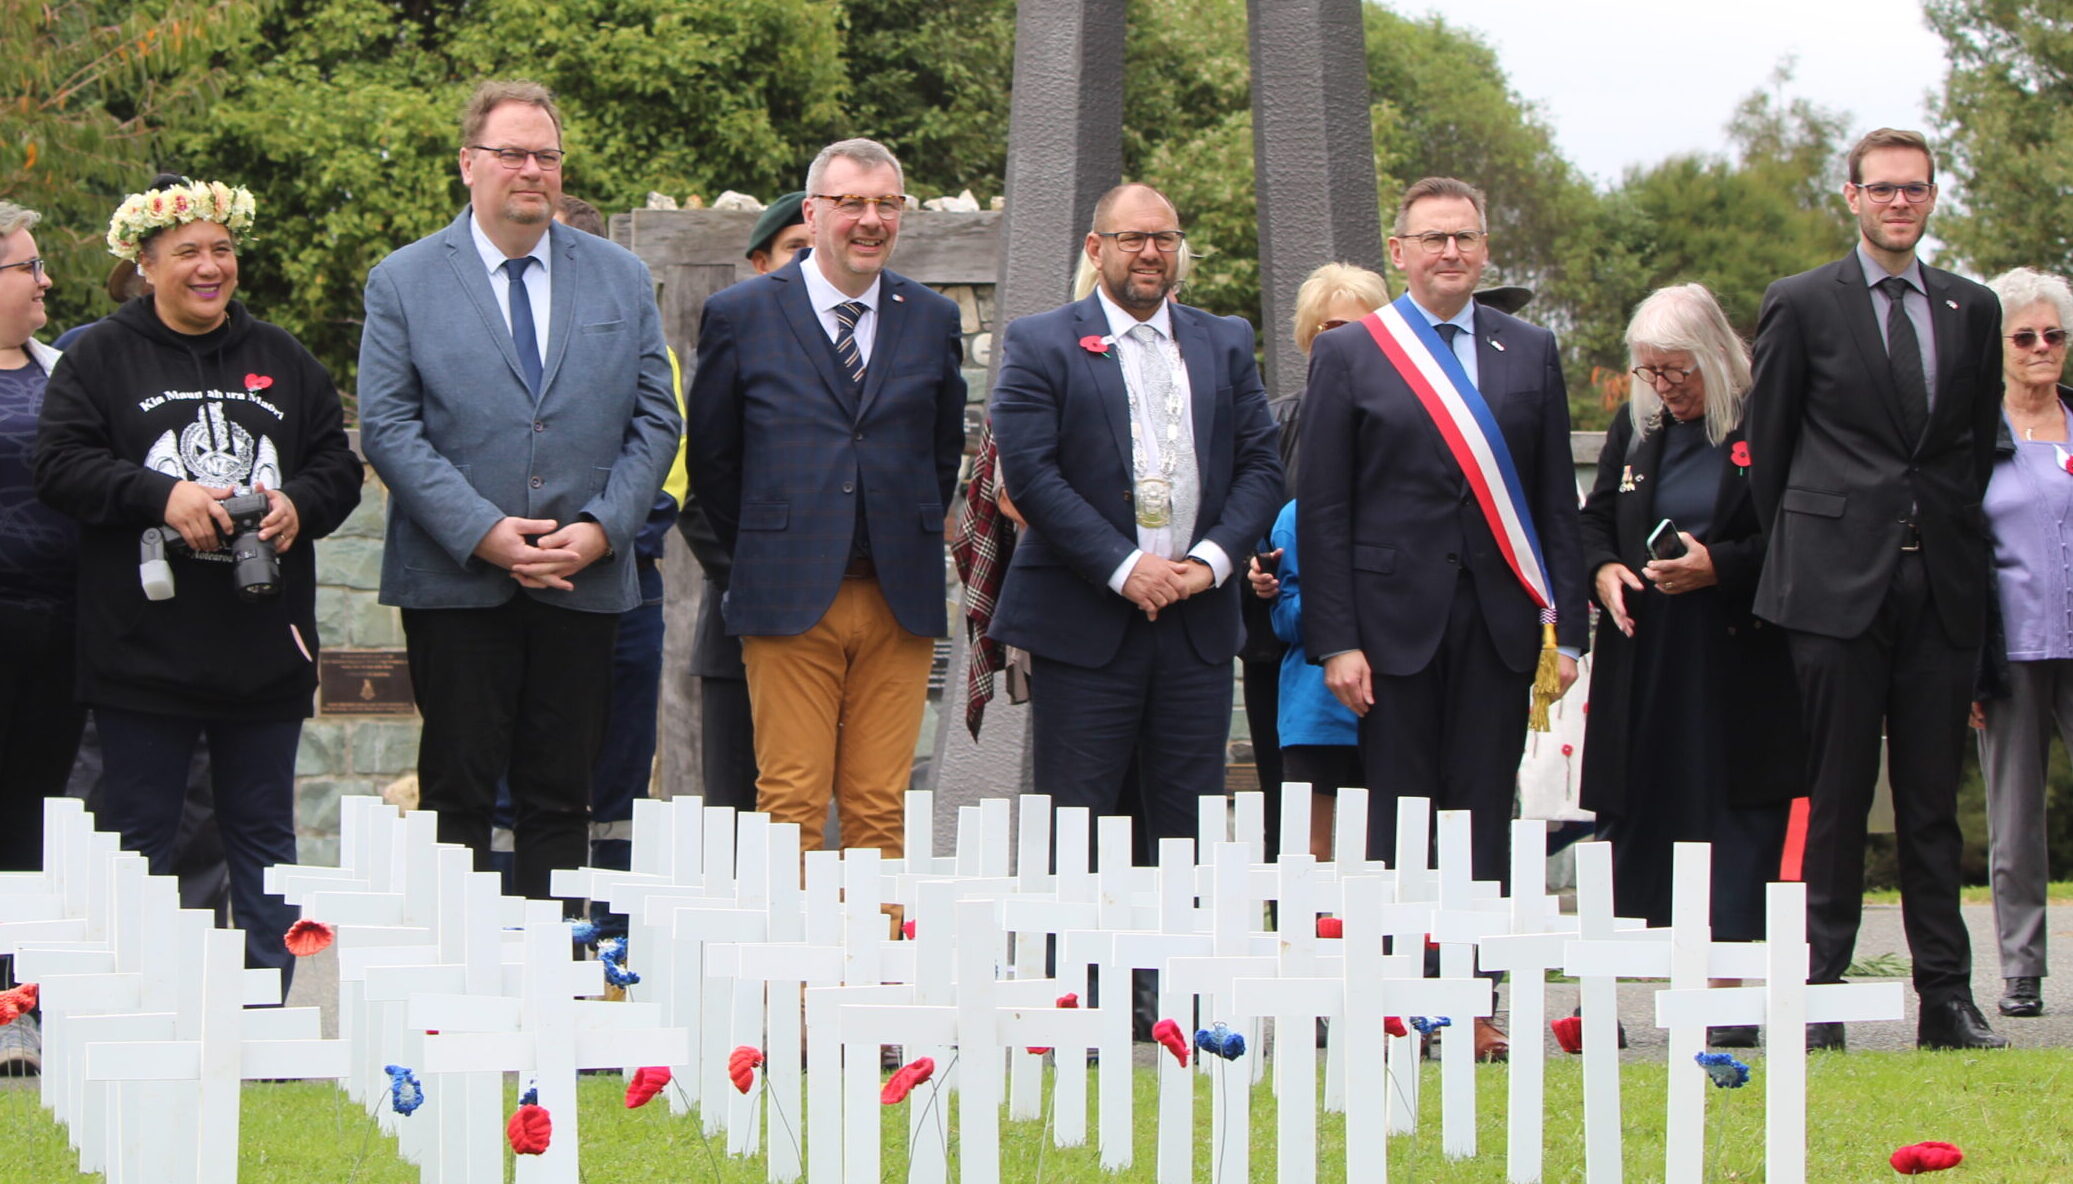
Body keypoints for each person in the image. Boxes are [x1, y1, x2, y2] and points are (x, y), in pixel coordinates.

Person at [35, 177, 363, 991]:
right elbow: (60, 465)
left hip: (262, 648)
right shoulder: (99, 357)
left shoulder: (282, 356)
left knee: (263, 839)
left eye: (221, 250)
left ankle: (269, 1014)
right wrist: (161, 495)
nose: (209, 267)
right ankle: (140, 1006)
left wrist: (297, 504)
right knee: (140, 834)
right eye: (187, 253)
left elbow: (337, 465)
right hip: (142, 650)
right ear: (145, 264)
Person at [357, 80, 680, 907]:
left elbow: (655, 419)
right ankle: (456, 989)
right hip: (457, 581)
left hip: (584, 575)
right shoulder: (403, 281)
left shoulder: (621, 278)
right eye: (512, 153)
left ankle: (556, 979)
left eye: (546, 155)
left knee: (560, 795)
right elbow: (390, 429)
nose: (531, 169)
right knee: (457, 793)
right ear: (469, 164)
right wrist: (484, 531)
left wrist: (604, 530)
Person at [1743, 127, 2007, 1051]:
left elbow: (1970, 450)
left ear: (1932, 198)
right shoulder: (1802, 303)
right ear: (1850, 196)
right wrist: (1812, 549)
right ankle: (1818, 994)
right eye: (1883, 189)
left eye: (1915, 189)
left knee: (1933, 804)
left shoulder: (1972, 309)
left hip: (1938, 586)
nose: (1899, 203)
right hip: (1831, 588)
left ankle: (1946, 999)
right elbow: (1766, 457)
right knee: (1838, 792)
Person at [1297, 176, 1587, 883]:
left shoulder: (1529, 350)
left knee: (1482, 806)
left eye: (1464, 237)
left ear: (1484, 250)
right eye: (1433, 238)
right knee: (1399, 813)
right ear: (1400, 251)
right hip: (1391, 627)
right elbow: (1324, 509)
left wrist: (1569, 634)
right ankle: (1402, 980)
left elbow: (1554, 502)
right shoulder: (1350, 353)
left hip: (1500, 621)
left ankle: (1474, 982)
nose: (1449, 251)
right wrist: (1335, 640)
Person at [685, 143, 965, 857]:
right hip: (786, 597)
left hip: (895, 597)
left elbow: (939, 455)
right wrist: (760, 553)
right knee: (791, 801)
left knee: (879, 806)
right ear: (812, 214)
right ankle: (794, 972)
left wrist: (904, 532)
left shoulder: (929, 318)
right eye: (851, 203)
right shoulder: (740, 315)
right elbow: (713, 462)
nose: (870, 220)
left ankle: (874, 969)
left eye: (886, 204)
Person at [988, 181, 1283, 845]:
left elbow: (1262, 468)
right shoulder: (1039, 343)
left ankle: (1175, 954)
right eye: (1132, 239)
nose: (1150, 252)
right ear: (1096, 249)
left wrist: (1207, 565)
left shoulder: (1225, 340)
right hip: (1083, 623)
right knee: (1080, 830)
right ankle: (1075, 955)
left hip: (1196, 624)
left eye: (1164, 239)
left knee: (1186, 833)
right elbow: (1032, 476)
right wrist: (1124, 567)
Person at [1578, 284, 1805, 1045]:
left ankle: (1729, 992)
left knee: (1734, 818)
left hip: (1737, 654)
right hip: (1649, 656)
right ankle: (1651, 979)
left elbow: (1798, 534)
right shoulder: (1637, 426)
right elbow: (1595, 520)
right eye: (1649, 372)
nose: (1663, 388)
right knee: (1650, 814)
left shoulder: (1765, 425)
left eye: (1676, 371)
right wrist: (1603, 569)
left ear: (1713, 357)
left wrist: (1721, 566)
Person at [1249, 263, 1390, 858]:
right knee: (1299, 822)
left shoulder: (1402, 420)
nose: (1342, 343)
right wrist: (1256, 569)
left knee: (1386, 818)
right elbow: (1244, 510)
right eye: (1330, 329)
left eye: (1359, 329)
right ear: (1310, 338)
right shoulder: (1271, 423)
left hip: (1391, 648)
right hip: (1286, 651)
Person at [678, 192, 807, 810]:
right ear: (761, 262)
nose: (811, 265)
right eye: (796, 252)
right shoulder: (735, 334)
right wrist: (764, 580)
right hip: (743, 621)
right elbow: (700, 487)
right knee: (738, 816)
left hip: (841, 627)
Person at [1972, 266, 2073, 1021]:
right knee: (2014, 817)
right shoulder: (1975, 436)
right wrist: (1967, 666)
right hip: (2009, 647)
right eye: (2025, 336)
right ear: (1999, 345)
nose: (2041, 348)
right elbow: (1954, 549)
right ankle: (2021, 970)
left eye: (2054, 335)